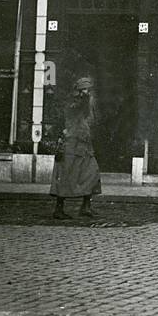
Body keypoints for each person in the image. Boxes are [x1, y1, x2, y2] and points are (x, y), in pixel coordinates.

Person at [51, 76, 103, 219]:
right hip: (71, 146)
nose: (88, 92)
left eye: (89, 89)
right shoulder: (72, 104)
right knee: (67, 177)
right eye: (86, 89)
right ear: (79, 91)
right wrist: (85, 99)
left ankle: (86, 207)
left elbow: (90, 118)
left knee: (92, 174)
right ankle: (58, 209)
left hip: (85, 146)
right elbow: (79, 109)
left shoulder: (87, 104)